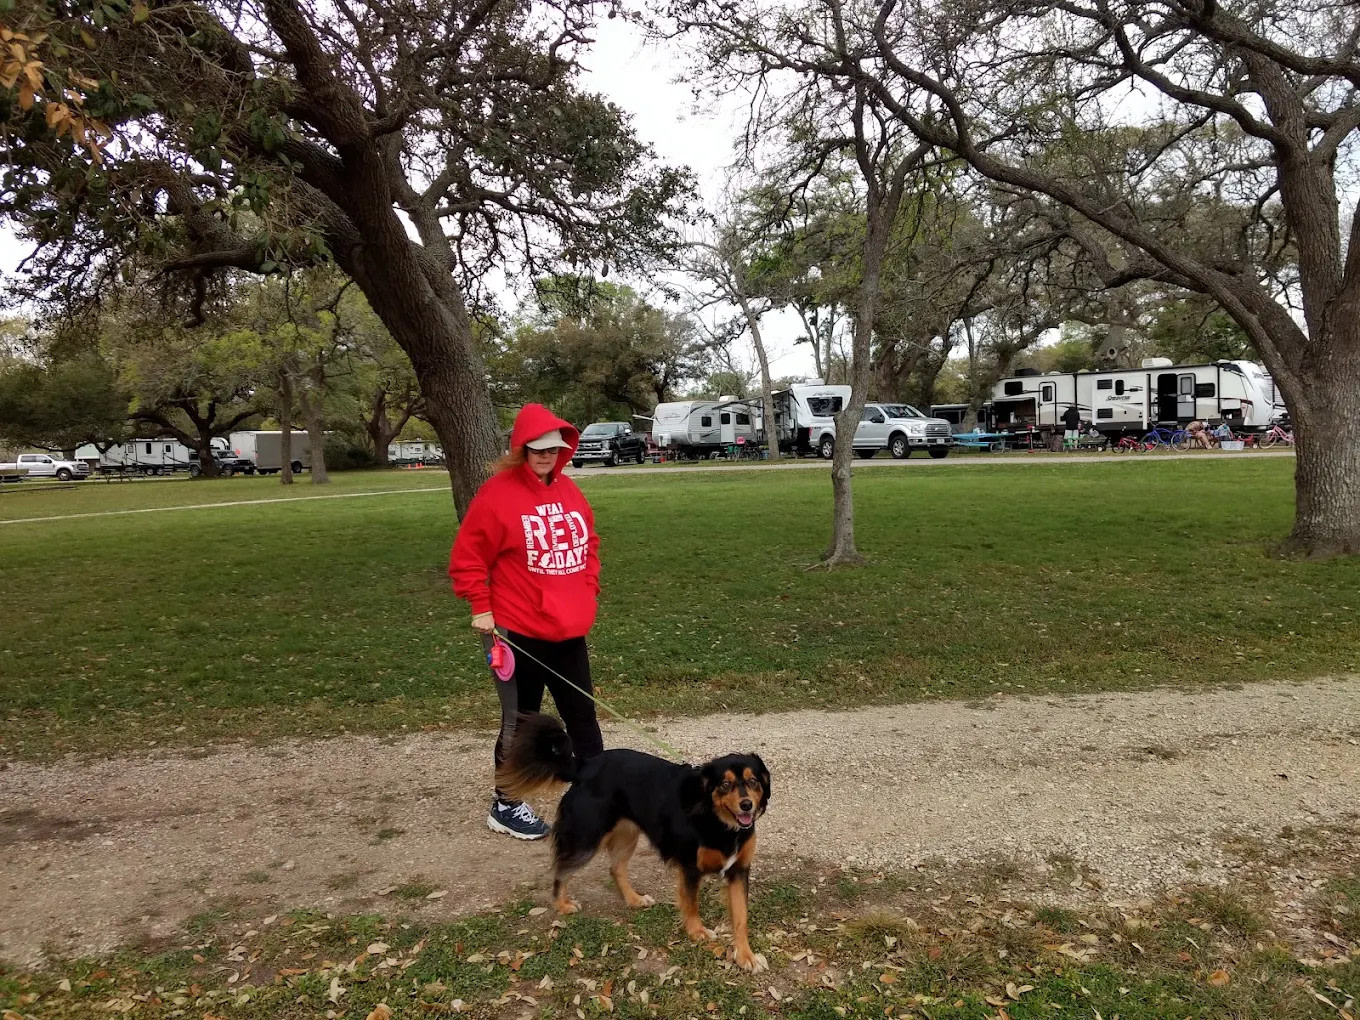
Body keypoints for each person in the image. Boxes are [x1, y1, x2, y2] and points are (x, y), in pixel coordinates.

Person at [449, 404, 605, 840]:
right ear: (522, 449)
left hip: (568, 628)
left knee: (583, 715)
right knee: (521, 722)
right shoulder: (497, 495)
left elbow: (589, 540)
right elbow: (467, 558)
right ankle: (506, 804)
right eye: (538, 450)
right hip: (516, 631)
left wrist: (588, 585)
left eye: (554, 450)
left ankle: (598, 796)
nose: (546, 457)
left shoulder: (570, 491)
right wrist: (480, 605)